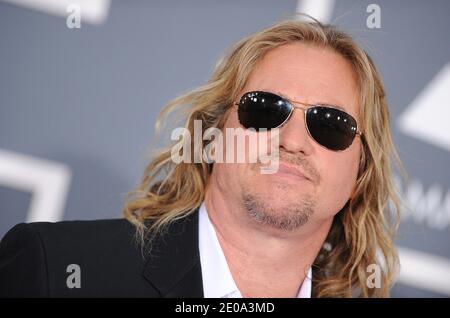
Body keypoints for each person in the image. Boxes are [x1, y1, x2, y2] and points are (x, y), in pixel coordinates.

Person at [0, 19, 403, 298]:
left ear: (359, 175)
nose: (294, 140)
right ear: (211, 138)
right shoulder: (55, 268)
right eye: (264, 109)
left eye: (331, 124)